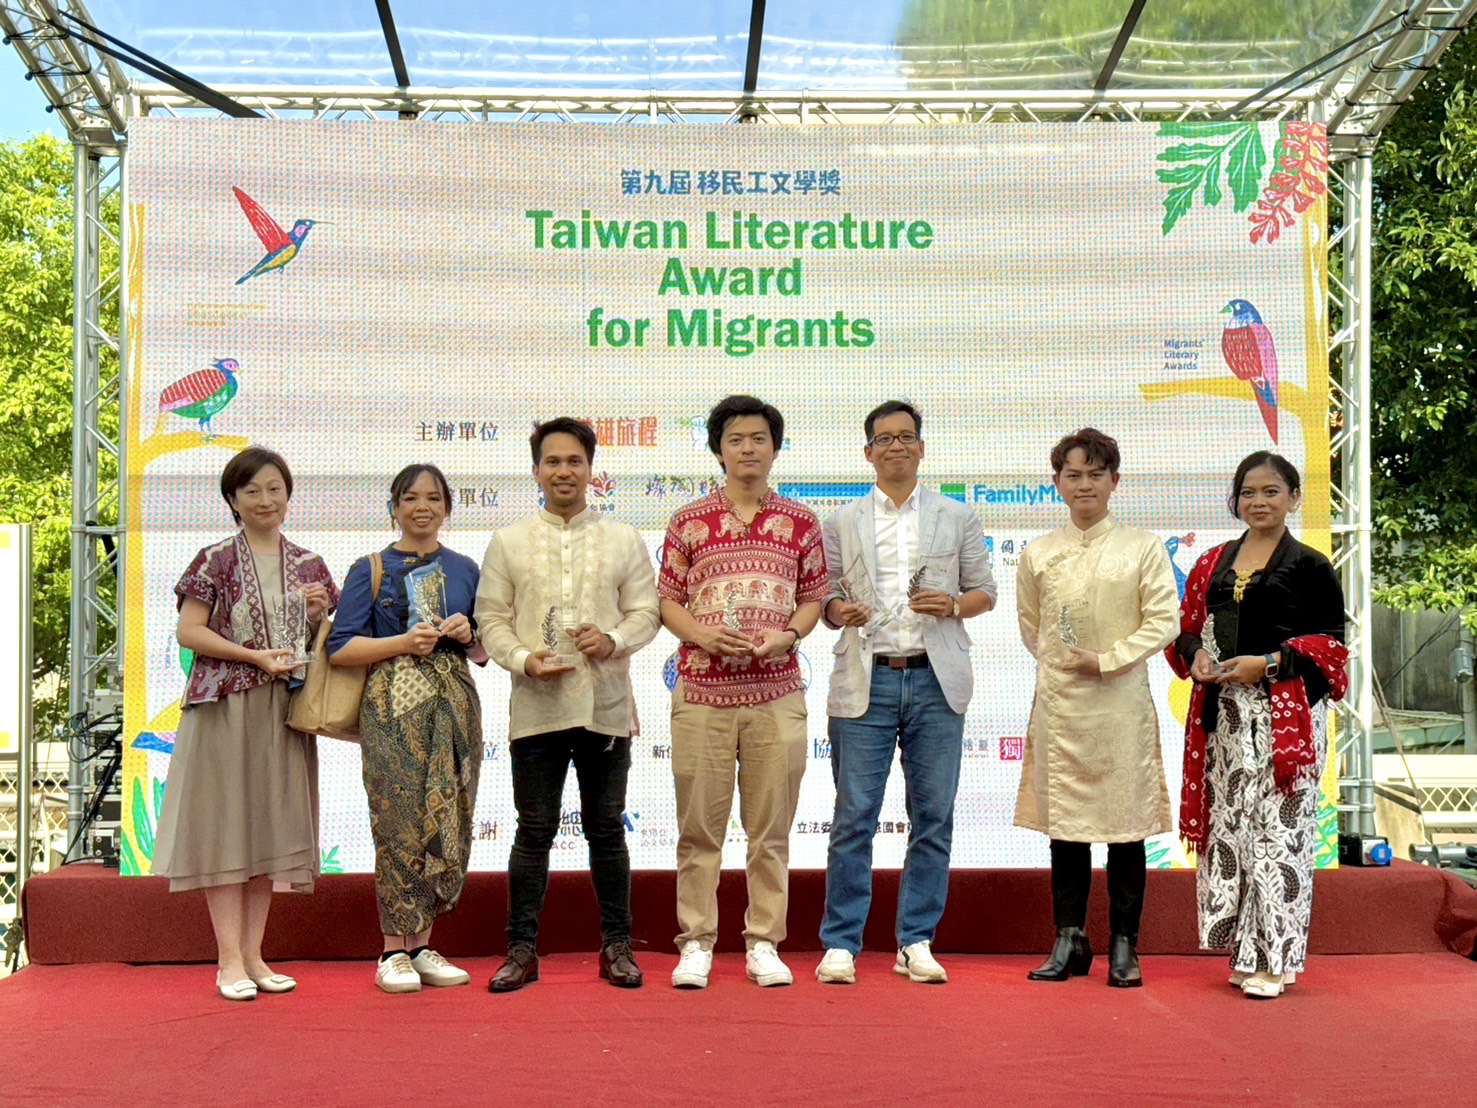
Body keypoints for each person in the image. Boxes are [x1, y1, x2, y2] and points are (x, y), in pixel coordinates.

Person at [475, 418, 661, 992]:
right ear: (536, 471)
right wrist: (524, 659)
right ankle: (521, 950)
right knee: (533, 830)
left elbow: (646, 612)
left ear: (590, 470)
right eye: (552, 462)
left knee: (606, 830)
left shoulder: (622, 538)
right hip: (538, 707)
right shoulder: (508, 541)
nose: (564, 471)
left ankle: (618, 947)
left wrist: (614, 640)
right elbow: (491, 619)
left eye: (574, 461)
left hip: (605, 707)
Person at [815, 401, 997, 985]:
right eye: (884, 438)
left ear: (922, 447)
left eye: (906, 436)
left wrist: (953, 604)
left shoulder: (956, 515)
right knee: (854, 817)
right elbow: (823, 597)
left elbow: (985, 591)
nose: (896, 446)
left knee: (933, 817)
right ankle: (841, 942)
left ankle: (915, 940)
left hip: (935, 680)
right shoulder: (840, 521)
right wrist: (836, 610)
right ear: (868, 452)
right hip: (866, 678)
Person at [153, 446, 338, 1001]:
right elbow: (190, 631)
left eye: (275, 488)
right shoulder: (213, 560)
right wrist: (252, 656)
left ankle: (255, 956)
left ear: (289, 495)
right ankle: (228, 961)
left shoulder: (310, 565)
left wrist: (314, 618)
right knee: (225, 830)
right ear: (232, 499)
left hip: (284, 711)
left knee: (270, 831)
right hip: (225, 707)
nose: (265, 500)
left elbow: (319, 644)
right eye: (252, 490)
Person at [658, 395, 828, 989]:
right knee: (698, 830)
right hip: (702, 692)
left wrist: (789, 635)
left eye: (759, 438)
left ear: (775, 449)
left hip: (775, 692)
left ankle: (764, 943)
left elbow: (813, 598)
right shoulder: (687, 520)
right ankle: (696, 942)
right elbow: (667, 600)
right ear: (718, 451)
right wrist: (701, 633)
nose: (748, 449)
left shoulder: (802, 521)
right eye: (736, 439)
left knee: (770, 831)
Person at [1167, 452, 1347, 999]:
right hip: (1223, 719)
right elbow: (1185, 630)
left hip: (1285, 720)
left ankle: (1276, 958)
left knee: (1278, 835)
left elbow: (1332, 649)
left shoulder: (1311, 565)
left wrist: (1267, 664)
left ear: (1293, 497)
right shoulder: (1213, 562)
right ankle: (1248, 952)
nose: (1259, 502)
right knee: (1234, 833)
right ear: (1235, 500)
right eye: (1248, 492)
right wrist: (1197, 656)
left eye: (1271, 491)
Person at [1013, 428, 1179, 988]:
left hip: (1120, 705)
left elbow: (1164, 621)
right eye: (1073, 475)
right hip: (1062, 706)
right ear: (1057, 483)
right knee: (1066, 828)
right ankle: (1069, 939)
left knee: (1126, 828)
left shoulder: (1143, 547)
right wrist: (1066, 664)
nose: (1084, 484)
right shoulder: (1038, 552)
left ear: (1114, 481)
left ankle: (1125, 945)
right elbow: (1032, 627)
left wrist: (1108, 660)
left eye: (1095, 474)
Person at [327, 464, 484, 994]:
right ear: (393, 507)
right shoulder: (370, 568)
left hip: (454, 703)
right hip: (392, 705)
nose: (423, 507)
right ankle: (392, 949)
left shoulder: (465, 569)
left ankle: (423, 945)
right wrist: (401, 643)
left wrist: (467, 633)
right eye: (410, 498)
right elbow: (341, 647)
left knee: (448, 817)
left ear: (448, 508)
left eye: (433, 498)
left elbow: (485, 650)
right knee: (396, 821)